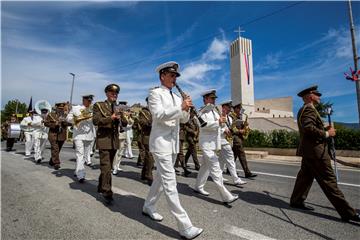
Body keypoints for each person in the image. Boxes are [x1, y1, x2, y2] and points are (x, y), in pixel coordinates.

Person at [142, 61, 203, 240]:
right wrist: (180, 108)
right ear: (163, 76)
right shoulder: (155, 93)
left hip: (174, 144)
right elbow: (159, 115)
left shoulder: (177, 97)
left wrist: (187, 109)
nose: (174, 79)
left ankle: (148, 206)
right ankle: (185, 226)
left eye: (176, 76)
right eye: (172, 75)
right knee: (170, 182)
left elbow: (183, 120)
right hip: (160, 143)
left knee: (160, 179)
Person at [290, 85, 359, 222]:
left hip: (310, 151)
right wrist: (327, 133)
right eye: (317, 94)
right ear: (310, 96)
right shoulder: (309, 109)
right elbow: (308, 128)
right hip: (316, 153)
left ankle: (297, 201)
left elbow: (310, 128)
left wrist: (323, 128)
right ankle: (348, 213)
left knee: (305, 177)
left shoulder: (307, 109)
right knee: (329, 181)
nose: (319, 96)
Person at [194, 89, 239, 204]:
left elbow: (220, 125)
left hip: (213, 144)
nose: (214, 100)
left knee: (205, 167)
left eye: (214, 99)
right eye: (212, 98)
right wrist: (218, 122)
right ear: (205, 99)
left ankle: (198, 186)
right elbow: (202, 125)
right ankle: (226, 196)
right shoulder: (201, 111)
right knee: (216, 169)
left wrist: (224, 126)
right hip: (206, 144)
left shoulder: (215, 111)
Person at [93, 84, 128, 204]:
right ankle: (107, 191)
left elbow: (125, 124)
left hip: (114, 141)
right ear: (107, 93)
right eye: (112, 93)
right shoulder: (99, 105)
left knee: (107, 168)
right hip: (103, 140)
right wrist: (111, 118)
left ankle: (100, 186)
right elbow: (96, 121)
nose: (115, 95)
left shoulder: (117, 107)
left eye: (116, 93)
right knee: (106, 167)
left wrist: (122, 116)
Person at [66, 95, 96, 182]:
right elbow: (68, 118)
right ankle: (81, 175)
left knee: (85, 155)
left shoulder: (93, 109)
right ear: (83, 100)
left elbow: (96, 121)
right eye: (88, 100)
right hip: (78, 135)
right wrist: (77, 119)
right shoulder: (76, 108)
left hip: (89, 135)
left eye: (91, 100)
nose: (89, 102)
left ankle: (77, 170)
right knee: (80, 154)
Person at [218, 100, 247, 186]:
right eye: (228, 107)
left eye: (230, 107)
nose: (230, 108)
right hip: (222, 140)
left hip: (228, 140)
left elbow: (232, 129)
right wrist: (224, 130)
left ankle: (219, 176)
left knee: (222, 160)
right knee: (230, 159)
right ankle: (236, 179)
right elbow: (217, 128)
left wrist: (233, 130)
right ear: (223, 107)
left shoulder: (230, 118)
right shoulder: (219, 116)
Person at [230, 102, 257, 178]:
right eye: (238, 108)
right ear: (235, 108)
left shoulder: (240, 116)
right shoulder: (231, 116)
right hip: (235, 138)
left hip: (239, 137)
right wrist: (240, 131)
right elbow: (231, 127)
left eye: (240, 108)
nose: (240, 110)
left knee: (234, 155)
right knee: (242, 155)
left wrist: (245, 126)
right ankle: (247, 172)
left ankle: (229, 169)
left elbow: (241, 126)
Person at [44, 102, 72, 170]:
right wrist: (54, 125)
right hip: (53, 134)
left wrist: (67, 123)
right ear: (56, 108)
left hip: (61, 135)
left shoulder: (65, 115)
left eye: (62, 108)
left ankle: (52, 161)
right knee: (55, 148)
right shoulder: (51, 114)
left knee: (57, 149)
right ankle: (56, 163)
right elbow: (46, 123)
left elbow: (68, 123)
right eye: (59, 108)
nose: (61, 110)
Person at [139, 97, 155, 186]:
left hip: (155, 136)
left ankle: (144, 173)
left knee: (148, 157)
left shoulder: (155, 111)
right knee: (150, 156)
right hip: (146, 136)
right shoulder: (143, 112)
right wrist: (151, 123)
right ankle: (149, 175)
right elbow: (142, 122)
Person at [112, 101, 129, 175]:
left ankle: (117, 165)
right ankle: (114, 166)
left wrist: (122, 115)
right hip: (117, 135)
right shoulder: (115, 114)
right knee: (116, 152)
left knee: (121, 152)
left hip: (123, 134)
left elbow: (125, 123)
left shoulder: (123, 115)